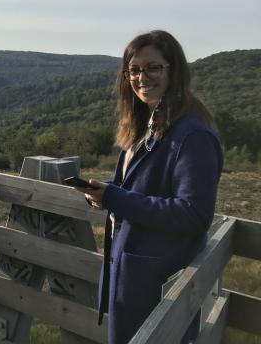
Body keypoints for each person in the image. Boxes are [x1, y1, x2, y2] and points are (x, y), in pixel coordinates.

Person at [75, 30, 222, 344]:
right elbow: (142, 188)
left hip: (158, 285)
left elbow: (193, 214)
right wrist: (106, 192)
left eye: (153, 67)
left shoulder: (192, 135)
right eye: (134, 69)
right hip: (132, 277)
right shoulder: (148, 124)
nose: (142, 77)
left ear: (174, 70)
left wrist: (116, 197)